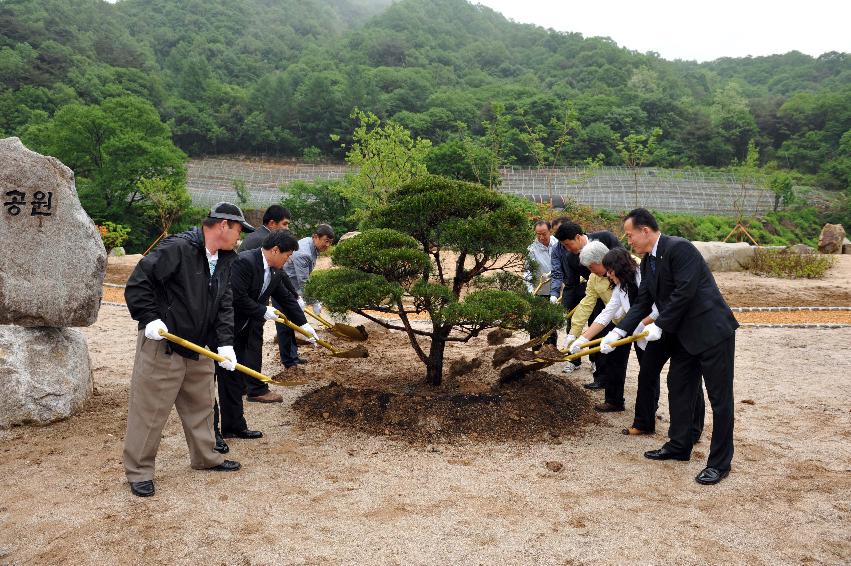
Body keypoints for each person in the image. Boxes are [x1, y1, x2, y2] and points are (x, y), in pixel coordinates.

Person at [123, 202, 253, 497]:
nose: (240, 238)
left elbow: (224, 305)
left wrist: (226, 344)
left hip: (199, 347)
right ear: (223, 225)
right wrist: (150, 318)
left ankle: (206, 457)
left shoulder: (224, 260)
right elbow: (138, 284)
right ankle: (139, 471)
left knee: (202, 407)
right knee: (150, 411)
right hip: (164, 344)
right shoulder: (177, 249)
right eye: (238, 231)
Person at [601, 208, 738, 485]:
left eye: (630, 235)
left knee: (719, 399)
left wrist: (660, 324)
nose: (629, 242)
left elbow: (684, 291)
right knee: (679, 386)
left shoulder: (680, 248)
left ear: (645, 231)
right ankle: (679, 445)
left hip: (711, 332)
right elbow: (643, 300)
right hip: (684, 338)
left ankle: (720, 463)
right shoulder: (648, 261)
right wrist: (618, 331)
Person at [216, 230, 318, 439]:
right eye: (287, 255)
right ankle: (214, 432)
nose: (288, 259)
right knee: (219, 378)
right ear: (275, 250)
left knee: (234, 378)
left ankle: (234, 427)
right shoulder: (244, 262)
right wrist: (262, 310)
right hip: (224, 328)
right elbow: (236, 297)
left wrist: (304, 326)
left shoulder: (275, 270)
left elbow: (287, 299)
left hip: (245, 328)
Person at [569, 246, 661, 419]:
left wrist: (643, 324)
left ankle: (649, 410)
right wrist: (582, 338)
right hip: (627, 325)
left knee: (648, 369)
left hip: (651, 329)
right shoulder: (620, 285)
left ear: (619, 268)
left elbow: (658, 308)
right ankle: (616, 402)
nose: (608, 276)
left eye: (610, 272)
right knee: (615, 361)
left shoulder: (643, 276)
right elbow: (606, 314)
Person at [551, 221, 621, 384]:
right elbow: (573, 285)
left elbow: (624, 262)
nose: (568, 249)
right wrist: (573, 332)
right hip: (596, 295)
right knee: (598, 330)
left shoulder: (606, 238)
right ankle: (601, 378)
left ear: (577, 237)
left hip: (621, 293)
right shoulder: (572, 258)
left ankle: (599, 367)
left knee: (608, 336)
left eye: (568, 245)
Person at [276, 224, 335, 371]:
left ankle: (293, 357)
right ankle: (288, 361)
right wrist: (314, 301)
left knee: (294, 323)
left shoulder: (312, 247)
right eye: (325, 241)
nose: (327, 245)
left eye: (330, 242)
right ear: (315, 236)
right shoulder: (304, 252)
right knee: (285, 324)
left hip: (293, 289)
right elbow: (304, 281)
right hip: (282, 289)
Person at [522, 219, 558, 349]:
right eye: (538, 234)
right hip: (539, 291)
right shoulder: (531, 249)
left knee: (552, 320)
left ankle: (551, 349)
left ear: (550, 231)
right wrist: (530, 290)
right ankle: (535, 350)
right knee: (536, 321)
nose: (541, 237)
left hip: (556, 291)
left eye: (544, 234)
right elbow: (527, 272)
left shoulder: (558, 244)